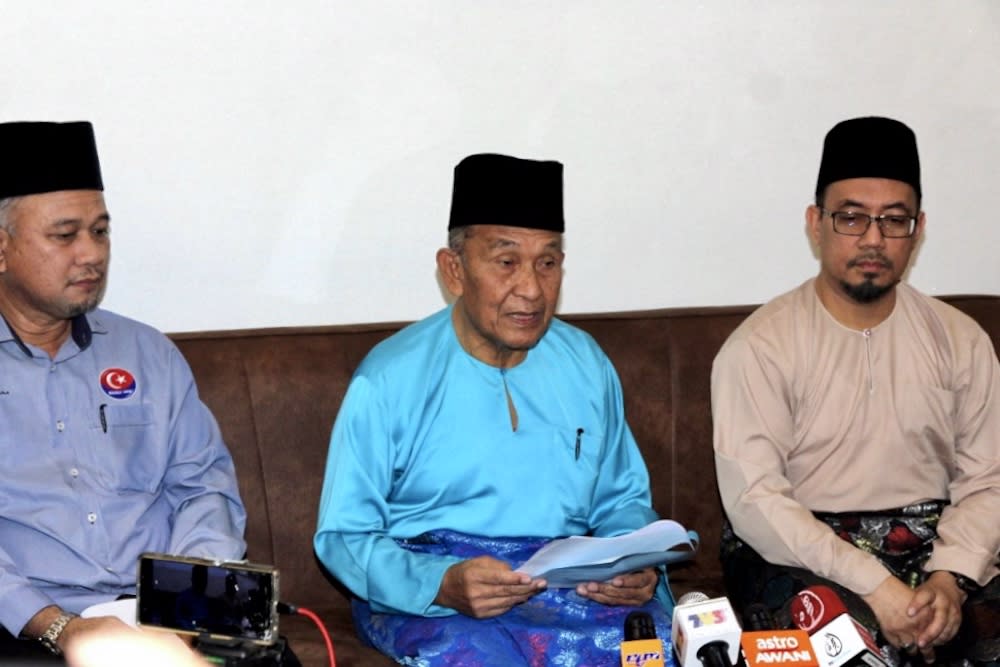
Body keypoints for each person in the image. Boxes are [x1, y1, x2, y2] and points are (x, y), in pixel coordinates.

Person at [314, 153, 671, 666]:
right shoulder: (388, 380)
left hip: (565, 587)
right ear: (454, 269)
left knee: (651, 647)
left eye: (547, 263)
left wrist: (632, 563)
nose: (531, 288)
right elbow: (344, 536)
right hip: (435, 597)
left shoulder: (586, 364)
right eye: (506, 262)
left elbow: (621, 501)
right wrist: (439, 583)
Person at [712, 116, 1000, 665]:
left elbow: (989, 477)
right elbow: (757, 501)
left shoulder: (960, 339)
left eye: (894, 220)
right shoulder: (760, 346)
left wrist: (950, 578)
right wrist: (876, 584)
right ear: (815, 223)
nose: (873, 239)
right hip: (801, 549)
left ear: (917, 230)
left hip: (935, 541)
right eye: (851, 218)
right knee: (848, 651)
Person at [0, 121, 247, 658]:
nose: (91, 253)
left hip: (163, 618)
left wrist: (190, 602)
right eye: (65, 236)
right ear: (1, 247)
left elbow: (203, 487)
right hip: (26, 630)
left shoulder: (147, 353)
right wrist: (57, 627)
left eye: (101, 231)